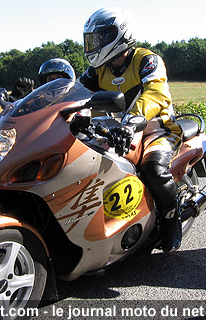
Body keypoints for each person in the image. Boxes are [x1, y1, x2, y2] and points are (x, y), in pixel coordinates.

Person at [79, 7, 183, 253]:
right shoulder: (98, 69)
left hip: (158, 129)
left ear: (121, 34)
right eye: (93, 38)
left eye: (102, 36)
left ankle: (171, 221)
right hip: (117, 131)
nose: (97, 43)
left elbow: (156, 92)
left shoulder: (147, 60)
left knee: (153, 169)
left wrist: (132, 119)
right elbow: (77, 94)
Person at [8, 58, 75, 102]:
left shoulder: (77, 100)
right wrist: (21, 100)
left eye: (58, 78)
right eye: (50, 78)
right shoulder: (38, 102)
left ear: (68, 80)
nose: (54, 81)